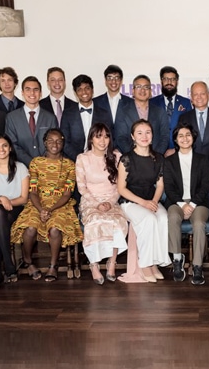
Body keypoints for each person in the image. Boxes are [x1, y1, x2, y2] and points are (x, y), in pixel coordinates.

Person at [10, 129, 82, 282]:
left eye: (58, 141)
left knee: (55, 229)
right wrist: (41, 209)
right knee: (30, 228)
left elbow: (67, 194)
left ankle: (53, 265)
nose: (54, 144)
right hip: (37, 203)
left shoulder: (69, 165)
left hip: (61, 204)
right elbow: (33, 191)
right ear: (44, 143)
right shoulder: (36, 163)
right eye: (50, 140)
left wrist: (50, 209)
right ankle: (28, 261)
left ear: (63, 143)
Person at [117, 119, 170, 283]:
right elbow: (121, 188)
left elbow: (160, 185)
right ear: (133, 136)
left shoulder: (158, 158)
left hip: (150, 199)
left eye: (148, 132)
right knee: (148, 220)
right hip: (130, 201)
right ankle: (145, 264)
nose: (144, 136)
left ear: (152, 136)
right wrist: (143, 203)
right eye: (139, 133)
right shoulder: (126, 159)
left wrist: (153, 202)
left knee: (162, 218)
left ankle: (156, 262)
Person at [75, 123, 128, 285]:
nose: (103, 140)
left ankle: (111, 263)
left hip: (112, 200)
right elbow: (81, 187)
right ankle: (94, 264)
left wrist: (110, 202)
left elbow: (121, 186)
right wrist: (97, 204)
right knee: (95, 222)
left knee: (117, 223)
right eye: (98, 136)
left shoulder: (116, 156)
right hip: (90, 201)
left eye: (106, 136)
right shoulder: (82, 158)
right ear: (91, 138)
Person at [164, 124, 209, 285]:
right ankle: (177, 260)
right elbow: (169, 187)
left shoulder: (203, 159)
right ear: (176, 140)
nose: (185, 138)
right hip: (176, 201)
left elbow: (206, 185)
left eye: (188, 135)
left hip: (199, 202)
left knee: (198, 223)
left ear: (193, 137)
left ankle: (197, 265)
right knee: (172, 217)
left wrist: (193, 203)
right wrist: (182, 205)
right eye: (180, 136)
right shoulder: (169, 161)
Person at [0, 134, 29, 290]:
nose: (1, 149)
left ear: (10, 148)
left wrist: (7, 202)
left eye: (4, 145)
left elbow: (23, 199)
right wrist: (1, 198)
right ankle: (8, 262)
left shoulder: (20, 168)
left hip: (13, 210)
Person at [5, 76, 59, 166]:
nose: (32, 93)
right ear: (22, 93)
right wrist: (31, 162)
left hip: (46, 167)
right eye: (28, 89)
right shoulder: (11, 117)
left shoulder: (50, 118)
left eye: (36, 89)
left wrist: (42, 163)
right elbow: (12, 144)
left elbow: (54, 143)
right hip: (20, 168)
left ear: (41, 93)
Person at [61, 74, 114, 162]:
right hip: (74, 161)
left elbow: (110, 138)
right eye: (80, 89)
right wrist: (80, 158)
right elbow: (64, 141)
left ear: (92, 90)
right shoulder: (68, 113)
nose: (84, 92)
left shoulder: (104, 113)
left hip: (99, 161)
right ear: (75, 92)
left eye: (87, 88)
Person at [114, 75, 170, 154]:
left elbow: (164, 137)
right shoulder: (123, 111)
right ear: (133, 91)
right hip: (132, 160)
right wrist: (135, 156)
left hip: (155, 159)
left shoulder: (160, 112)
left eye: (146, 87)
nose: (142, 90)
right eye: (138, 87)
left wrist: (155, 156)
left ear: (150, 91)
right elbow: (121, 138)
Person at [149, 66, 192, 153]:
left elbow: (189, 129)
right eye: (166, 79)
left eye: (173, 79)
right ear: (161, 81)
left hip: (179, 150)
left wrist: (176, 149)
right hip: (156, 151)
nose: (169, 82)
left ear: (177, 82)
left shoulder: (186, 103)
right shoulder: (152, 102)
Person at [177, 81, 209, 157]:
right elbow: (180, 143)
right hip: (191, 164)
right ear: (191, 98)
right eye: (195, 94)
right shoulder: (184, 118)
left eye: (202, 94)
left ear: (208, 95)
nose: (199, 97)